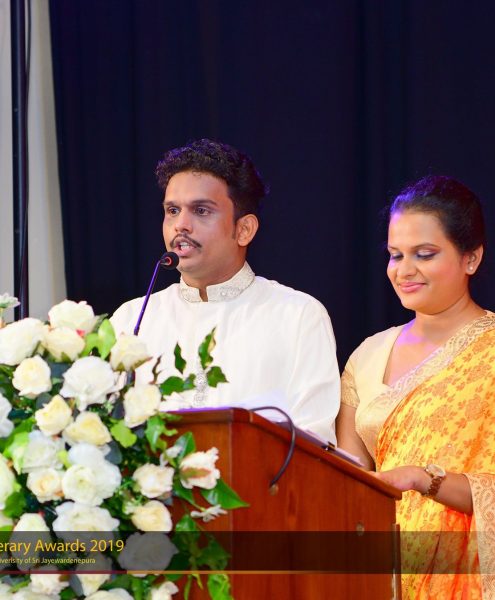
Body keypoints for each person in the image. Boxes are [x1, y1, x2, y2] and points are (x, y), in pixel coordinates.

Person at [111, 138, 340, 443]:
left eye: (201, 210)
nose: (181, 225)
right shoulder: (131, 319)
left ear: (244, 230)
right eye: (172, 210)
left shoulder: (297, 316)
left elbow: (316, 446)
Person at [337, 175, 495, 599]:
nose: (404, 271)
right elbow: (348, 481)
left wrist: (423, 479)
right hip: (381, 575)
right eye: (395, 255)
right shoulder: (367, 355)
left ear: (471, 258)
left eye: (424, 254)